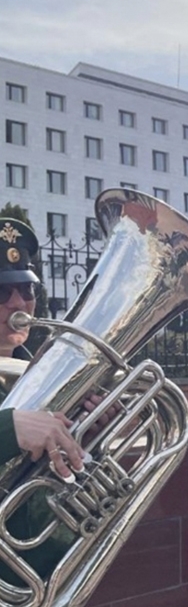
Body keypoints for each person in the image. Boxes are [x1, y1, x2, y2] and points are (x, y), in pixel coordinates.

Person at [0, 218, 89, 586]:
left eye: (27, 288)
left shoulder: (35, 373)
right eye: (1, 292)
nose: (19, 302)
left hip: (50, 578)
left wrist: (84, 427)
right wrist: (7, 429)